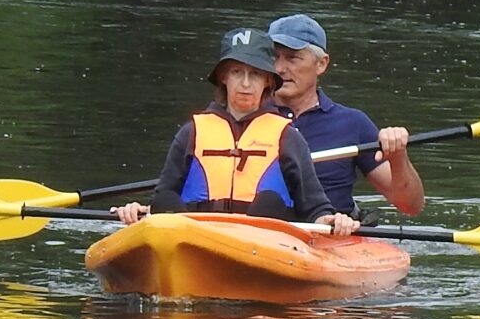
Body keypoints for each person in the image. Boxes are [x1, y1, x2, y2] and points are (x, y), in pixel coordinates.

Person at [112, 28, 360, 232]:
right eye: (236, 72)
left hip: (264, 244)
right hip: (194, 238)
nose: (245, 83)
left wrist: (331, 221)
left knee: (269, 203)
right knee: (164, 202)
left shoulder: (288, 137)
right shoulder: (192, 133)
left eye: (254, 74)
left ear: (267, 81)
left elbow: (315, 208)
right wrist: (140, 211)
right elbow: (164, 197)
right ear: (223, 77)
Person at [266, 14, 424, 218]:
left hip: (331, 237)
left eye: (292, 58)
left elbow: (411, 206)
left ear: (321, 64)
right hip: (262, 236)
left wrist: (398, 157)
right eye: (273, 57)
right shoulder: (246, 118)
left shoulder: (352, 123)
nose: (279, 68)